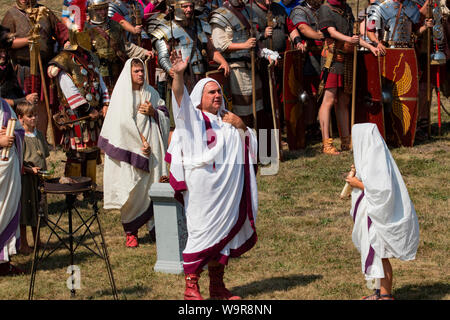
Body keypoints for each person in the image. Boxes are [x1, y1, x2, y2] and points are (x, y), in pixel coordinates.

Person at [167, 50, 258, 300]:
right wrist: (178, 74)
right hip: (202, 192)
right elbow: (179, 97)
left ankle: (217, 287)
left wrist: (240, 126)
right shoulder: (193, 119)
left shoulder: (228, 120)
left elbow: (251, 147)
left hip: (228, 192)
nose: (217, 95)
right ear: (200, 98)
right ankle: (191, 287)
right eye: (211, 92)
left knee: (223, 237)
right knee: (200, 234)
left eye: (219, 92)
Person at [98, 58, 170, 248]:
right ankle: (131, 230)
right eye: (136, 71)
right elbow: (121, 124)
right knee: (133, 189)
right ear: (128, 73)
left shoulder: (151, 92)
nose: (140, 74)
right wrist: (140, 143)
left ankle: (157, 228)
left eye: (142, 71)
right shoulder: (122, 95)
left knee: (154, 184)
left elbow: (165, 114)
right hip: (132, 149)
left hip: (154, 151)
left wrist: (154, 111)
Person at [345, 123, 420, 300]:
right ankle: (378, 292)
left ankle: (386, 295)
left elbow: (382, 189)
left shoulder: (377, 160)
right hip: (370, 213)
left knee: (380, 254)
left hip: (378, 216)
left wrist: (358, 184)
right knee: (374, 255)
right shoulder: (367, 158)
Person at [47, 26, 108, 185]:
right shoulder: (63, 60)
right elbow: (70, 91)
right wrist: (89, 109)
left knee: (92, 152)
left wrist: (105, 103)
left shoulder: (90, 57)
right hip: (76, 115)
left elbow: (100, 82)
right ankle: (72, 188)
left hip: (94, 114)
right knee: (76, 154)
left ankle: (89, 187)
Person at [317, 0, 378, 155]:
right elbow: (331, 32)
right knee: (329, 99)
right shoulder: (326, 8)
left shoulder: (346, 9)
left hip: (346, 60)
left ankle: (346, 140)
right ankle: (326, 143)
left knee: (343, 100)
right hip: (332, 59)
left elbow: (354, 36)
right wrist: (349, 39)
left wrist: (370, 46)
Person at [2, 0, 69, 138]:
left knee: (42, 105)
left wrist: (67, 41)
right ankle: (26, 138)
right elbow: (5, 41)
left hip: (44, 67)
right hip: (23, 69)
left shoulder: (44, 11)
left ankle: (41, 139)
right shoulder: (12, 14)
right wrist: (29, 40)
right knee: (25, 105)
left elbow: (60, 30)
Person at [85, 0, 153, 93]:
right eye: (99, 9)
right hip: (97, 74)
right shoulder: (84, 30)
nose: (103, 12)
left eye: (105, 8)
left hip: (117, 71)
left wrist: (143, 52)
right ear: (92, 10)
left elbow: (125, 46)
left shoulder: (115, 25)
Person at [16, 101, 49, 254]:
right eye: (30, 116)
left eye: (35, 115)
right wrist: (30, 170)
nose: (34, 118)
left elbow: (43, 155)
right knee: (25, 210)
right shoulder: (20, 137)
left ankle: (37, 241)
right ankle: (23, 243)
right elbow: (18, 161)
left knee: (38, 208)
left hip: (39, 179)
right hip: (25, 179)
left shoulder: (39, 134)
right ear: (21, 118)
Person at [0, 97, 25, 276]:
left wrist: (12, 136)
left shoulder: (5, 107)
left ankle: (3, 264)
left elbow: (20, 131)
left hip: (9, 170)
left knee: (8, 211)